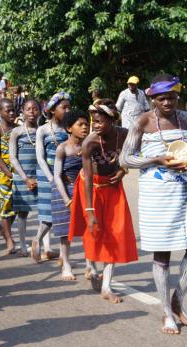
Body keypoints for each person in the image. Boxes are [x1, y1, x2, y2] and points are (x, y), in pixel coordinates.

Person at [119, 74, 187, 335]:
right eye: (162, 98)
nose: (168, 102)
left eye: (172, 96)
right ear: (152, 99)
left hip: (184, 191)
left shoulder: (184, 118)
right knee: (162, 254)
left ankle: (179, 299)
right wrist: (156, 160)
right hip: (157, 196)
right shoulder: (143, 121)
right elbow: (126, 159)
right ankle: (167, 314)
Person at [69, 99, 138, 302]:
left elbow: (132, 155)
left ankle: (106, 287)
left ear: (112, 119)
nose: (95, 125)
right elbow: (88, 176)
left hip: (113, 187)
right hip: (91, 188)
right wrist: (89, 210)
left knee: (115, 233)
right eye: (93, 121)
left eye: (99, 121)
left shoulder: (124, 134)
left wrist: (123, 170)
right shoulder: (90, 142)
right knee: (94, 231)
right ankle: (90, 263)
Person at [32, 91, 71, 263]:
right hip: (46, 175)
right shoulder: (43, 129)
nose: (68, 110)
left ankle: (63, 255)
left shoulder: (69, 128)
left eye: (69, 107)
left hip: (65, 175)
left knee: (64, 214)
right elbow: (40, 157)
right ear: (53, 110)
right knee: (48, 214)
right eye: (64, 107)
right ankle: (38, 239)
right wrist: (50, 177)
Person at [51, 109, 89, 280]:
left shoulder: (90, 145)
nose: (85, 128)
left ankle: (90, 265)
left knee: (89, 229)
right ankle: (66, 264)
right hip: (65, 191)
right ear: (68, 128)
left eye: (86, 124)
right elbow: (57, 176)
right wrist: (67, 199)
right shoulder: (62, 148)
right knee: (66, 232)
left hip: (86, 191)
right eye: (80, 125)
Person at [8, 99, 40, 256]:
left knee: (44, 211)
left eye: (35, 109)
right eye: (28, 109)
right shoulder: (17, 132)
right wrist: (25, 178)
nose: (32, 112)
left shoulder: (42, 131)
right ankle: (22, 245)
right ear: (22, 111)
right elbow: (13, 157)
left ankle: (43, 247)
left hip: (40, 176)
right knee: (22, 212)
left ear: (40, 111)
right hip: (22, 177)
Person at [0, 99, 18, 254]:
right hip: (4, 173)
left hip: (18, 171)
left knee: (16, 205)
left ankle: (2, 225)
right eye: (8, 110)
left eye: (13, 110)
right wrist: (7, 172)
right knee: (6, 204)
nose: (12, 113)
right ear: (0, 112)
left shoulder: (18, 129)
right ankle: (9, 240)